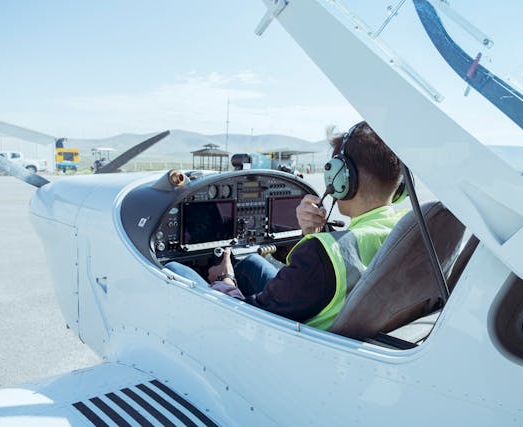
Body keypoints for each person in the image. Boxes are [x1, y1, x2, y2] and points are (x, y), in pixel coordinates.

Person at [166, 121, 406, 330]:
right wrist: (311, 234)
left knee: (177, 270)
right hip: (343, 318)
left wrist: (225, 279)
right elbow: (325, 276)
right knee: (249, 262)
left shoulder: (323, 253)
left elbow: (249, 315)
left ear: (341, 177)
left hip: (292, 337)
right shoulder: (405, 228)